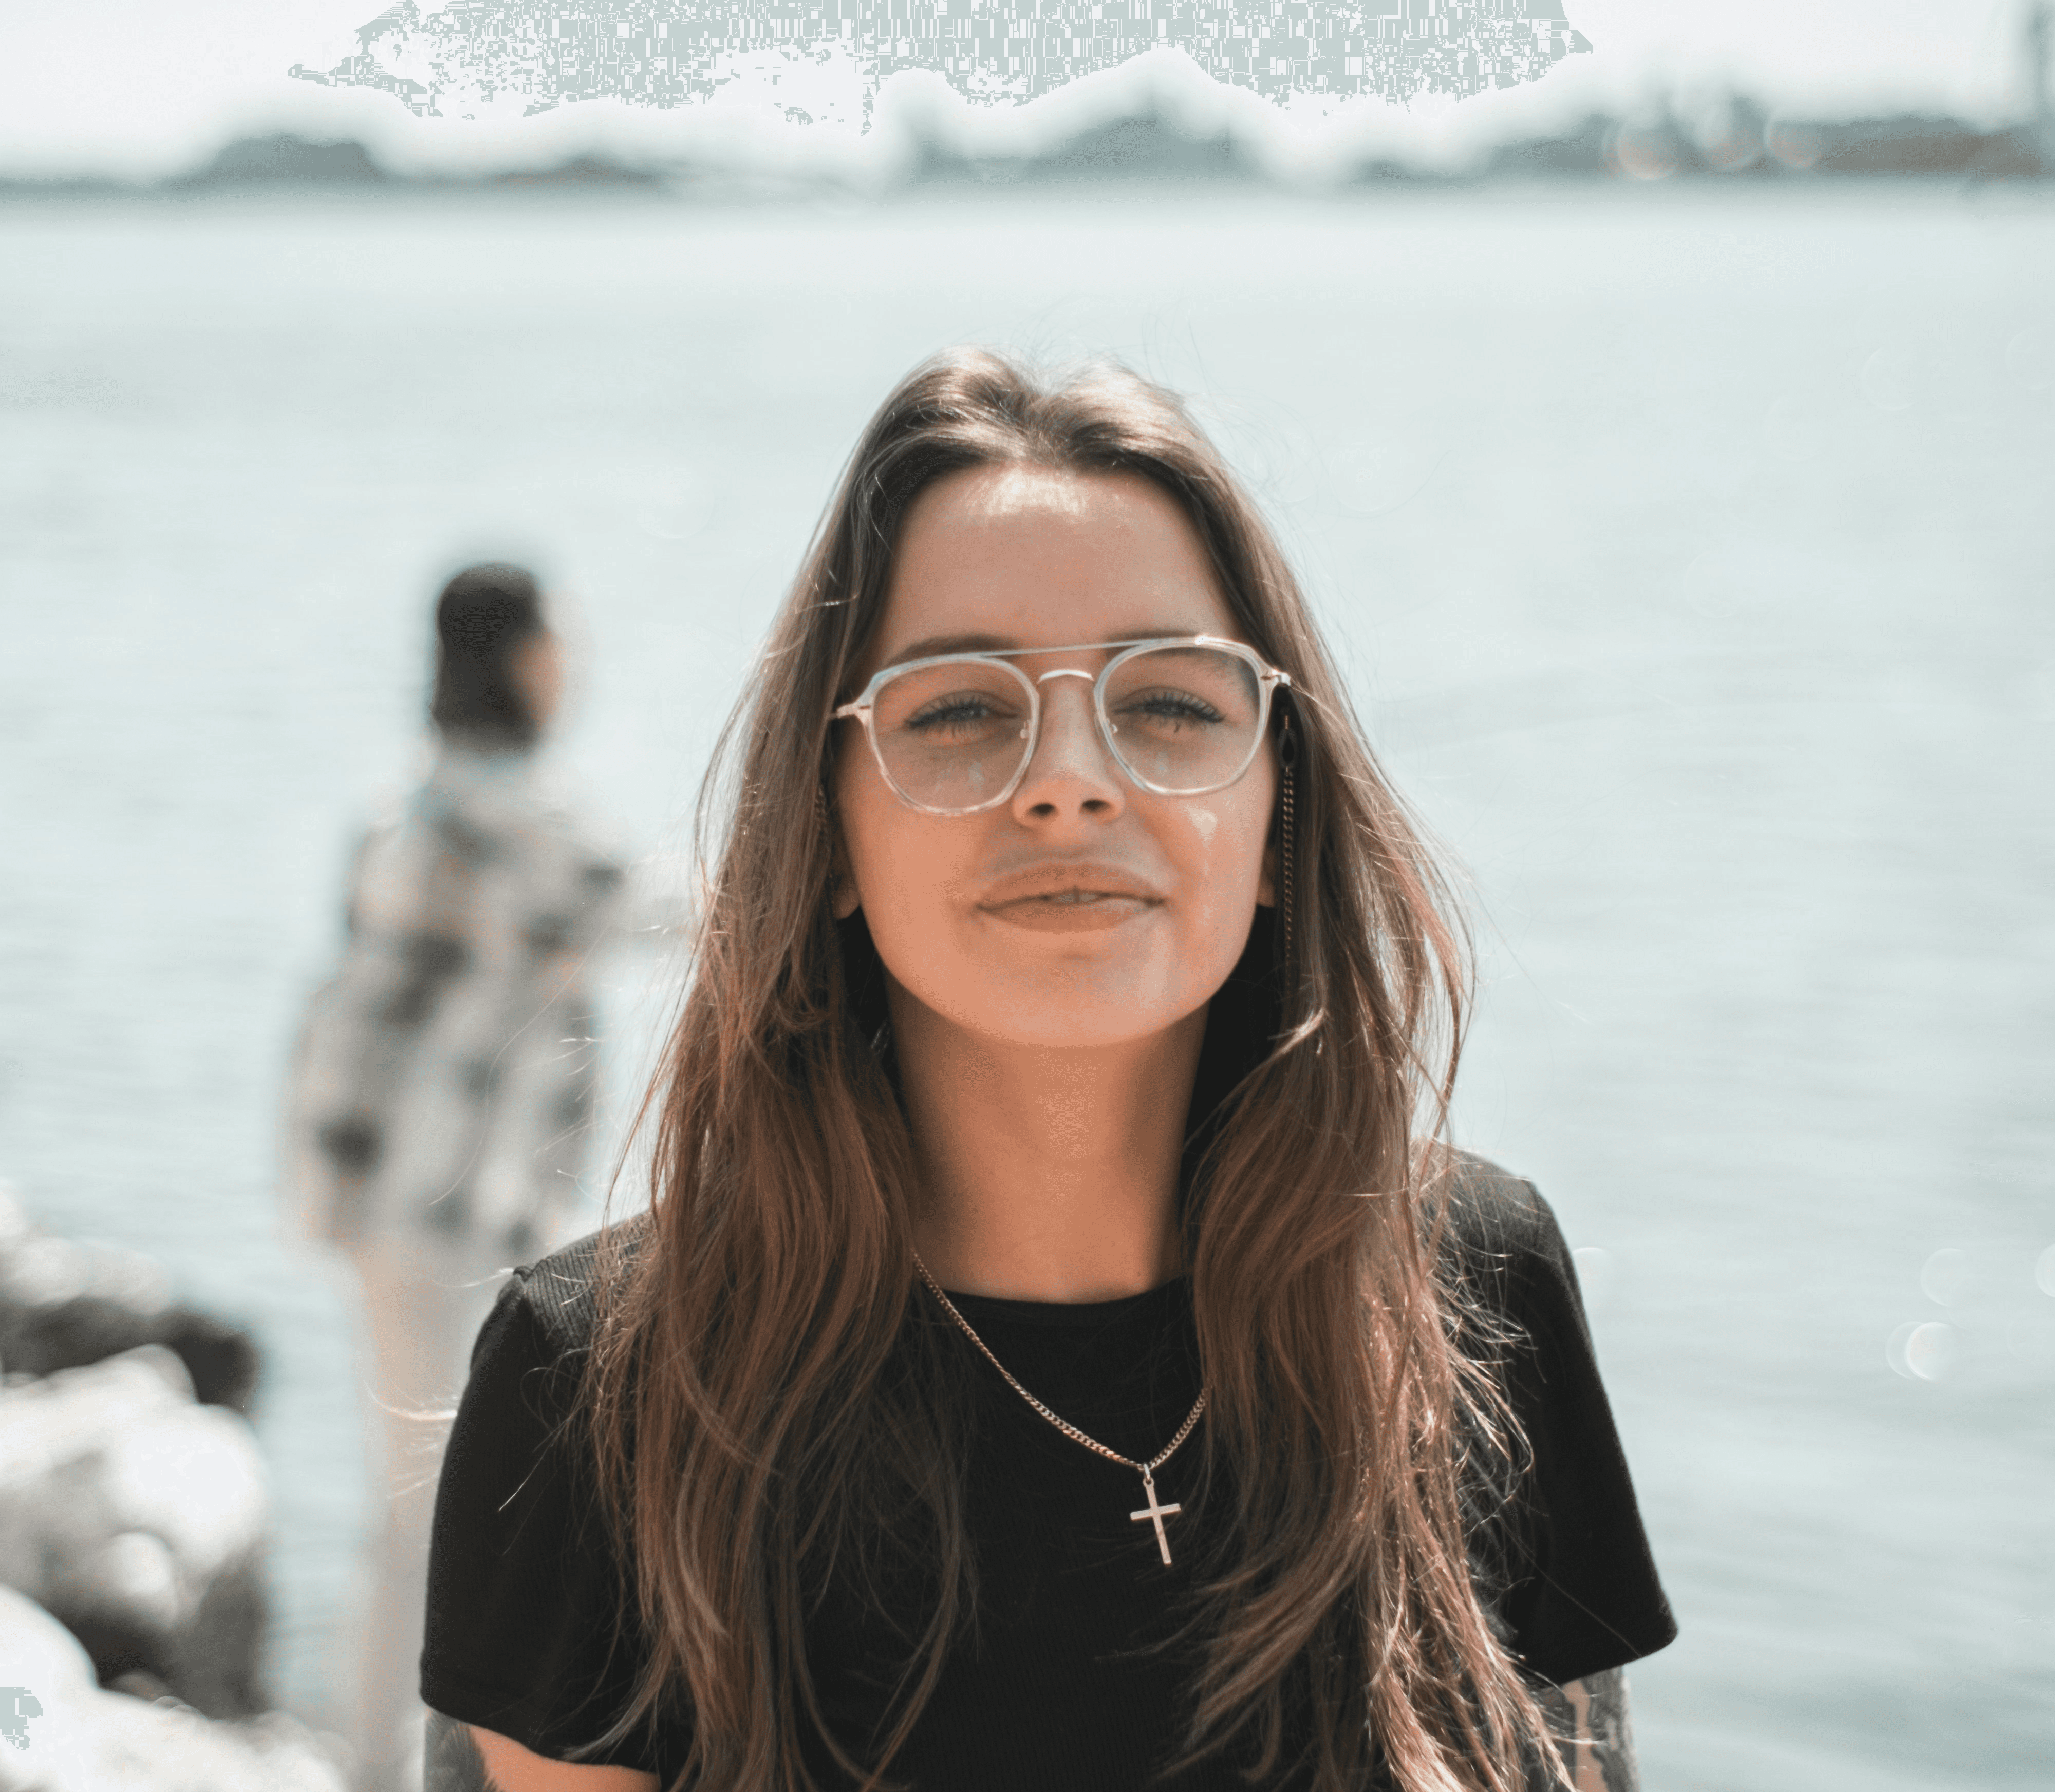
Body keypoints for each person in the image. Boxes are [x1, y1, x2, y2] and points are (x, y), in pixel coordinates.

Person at [418, 356, 1677, 1792]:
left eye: (1171, 706)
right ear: (826, 836)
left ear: (1278, 821)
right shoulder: (601, 1393)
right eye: (958, 710)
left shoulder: (1478, 1296)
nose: (1070, 779)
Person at [284, 562, 630, 1792]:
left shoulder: (408, 802)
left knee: (412, 1498)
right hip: (448, 1205)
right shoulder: (521, 819)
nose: (577, 659)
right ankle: (383, 1772)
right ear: (524, 657)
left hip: (383, 1192)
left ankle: (367, 1758)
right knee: (432, 1508)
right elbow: (680, 905)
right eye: (564, 637)